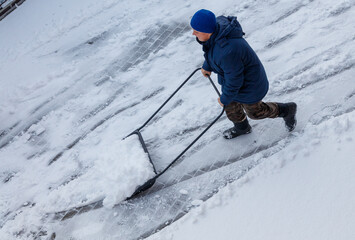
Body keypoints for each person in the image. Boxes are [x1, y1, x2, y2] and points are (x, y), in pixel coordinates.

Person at [190, 9, 297, 139]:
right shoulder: (217, 33)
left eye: (197, 31)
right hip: (232, 79)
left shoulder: (227, 51)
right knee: (230, 106)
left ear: (208, 31)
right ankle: (242, 128)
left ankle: (287, 110)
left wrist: (225, 98)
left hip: (249, 86)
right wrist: (207, 66)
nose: (193, 33)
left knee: (256, 112)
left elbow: (234, 80)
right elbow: (212, 51)